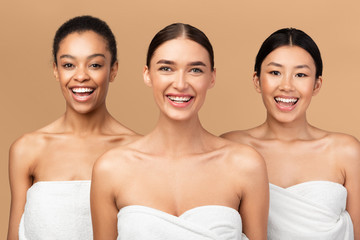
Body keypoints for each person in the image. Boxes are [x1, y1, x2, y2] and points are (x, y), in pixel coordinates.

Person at [91, 23, 269, 240]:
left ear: (211, 77)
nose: (180, 83)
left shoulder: (245, 165)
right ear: (148, 75)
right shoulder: (111, 169)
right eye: (166, 68)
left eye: (195, 70)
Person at [7, 15, 139, 240]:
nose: (80, 76)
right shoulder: (27, 149)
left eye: (95, 65)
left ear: (113, 70)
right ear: (56, 70)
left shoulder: (138, 150)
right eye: (68, 65)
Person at [221, 28, 360, 239]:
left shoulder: (346, 152)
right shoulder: (231, 147)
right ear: (257, 80)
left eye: (301, 75)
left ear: (317, 84)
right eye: (275, 72)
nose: (287, 86)